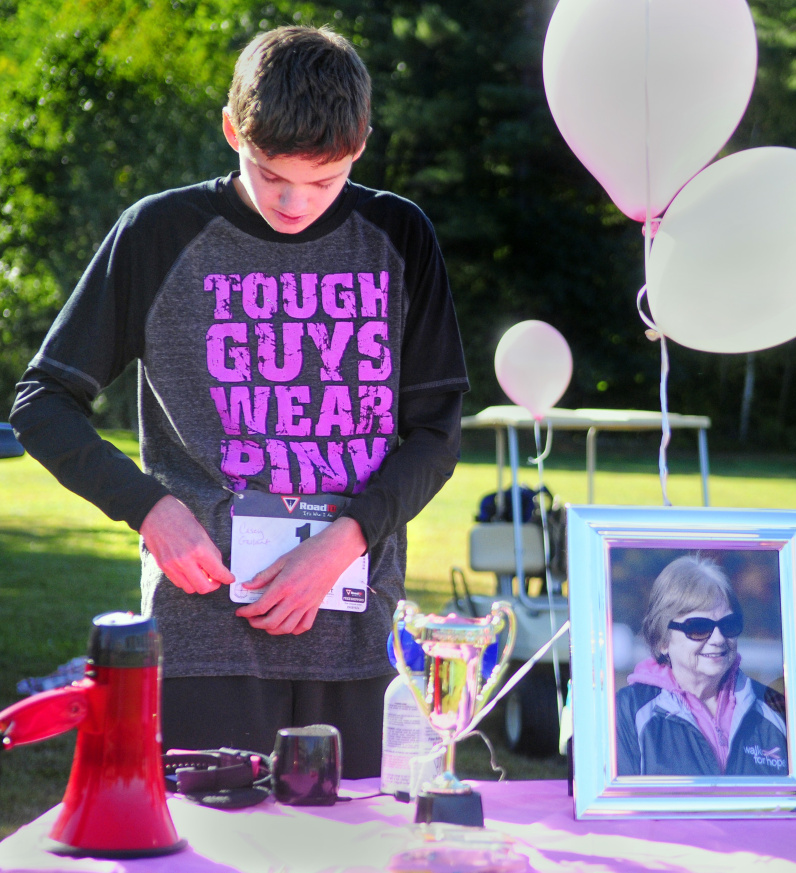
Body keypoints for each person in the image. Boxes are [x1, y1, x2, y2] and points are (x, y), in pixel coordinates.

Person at [8, 25, 468, 778]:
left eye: (322, 181)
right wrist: (150, 509)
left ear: (361, 147)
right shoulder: (158, 233)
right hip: (202, 634)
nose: (293, 202)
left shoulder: (399, 233)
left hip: (354, 629)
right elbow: (42, 400)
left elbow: (436, 433)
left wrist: (345, 539)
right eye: (269, 173)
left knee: (352, 847)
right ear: (231, 129)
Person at [616, 555, 788, 777]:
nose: (717, 638)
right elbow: (620, 807)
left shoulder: (774, 707)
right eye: (698, 627)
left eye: (728, 624)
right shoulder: (627, 711)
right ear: (662, 640)